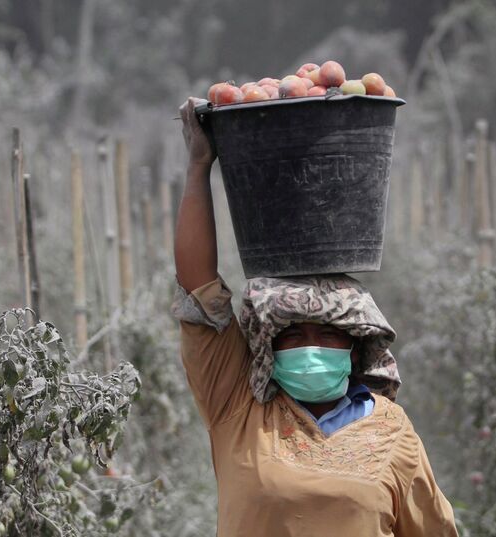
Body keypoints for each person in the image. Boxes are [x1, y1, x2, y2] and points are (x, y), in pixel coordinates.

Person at [172, 96, 459, 536]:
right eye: (290, 335)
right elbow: (200, 292)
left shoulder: (391, 431)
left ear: (354, 343)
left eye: (327, 333)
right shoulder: (238, 406)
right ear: (266, 347)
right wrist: (198, 167)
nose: (309, 346)